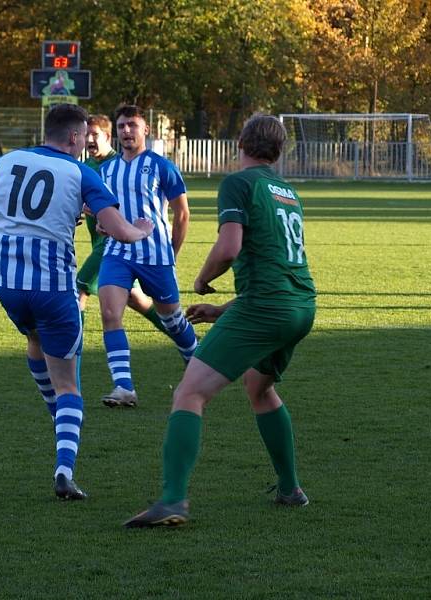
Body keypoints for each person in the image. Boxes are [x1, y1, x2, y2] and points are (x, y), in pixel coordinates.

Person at [124, 113, 317, 528]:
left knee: (189, 393)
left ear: (240, 142)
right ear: (279, 150)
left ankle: (173, 500)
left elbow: (229, 248)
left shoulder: (238, 182)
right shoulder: (287, 191)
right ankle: (290, 489)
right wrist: (225, 310)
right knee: (258, 387)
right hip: (300, 306)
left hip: (266, 307)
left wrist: (201, 279)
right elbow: (278, 270)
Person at [0, 104, 154, 500]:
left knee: (35, 341)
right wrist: (142, 230)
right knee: (68, 386)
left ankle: (59, 419)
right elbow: (118, 231)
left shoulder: (7, 161)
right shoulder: (81, 172)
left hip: (7, 285)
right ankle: (64, 470)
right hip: (55, 289)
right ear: (75, 137)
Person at [96, 105, 197, 408]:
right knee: (110, 314)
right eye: (122, 126)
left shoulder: (162, 166)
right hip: (117, 252)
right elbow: (104, 214)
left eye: (132, 126)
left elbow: (182, 215)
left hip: (155, 256)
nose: (127, 131)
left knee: (172, 320)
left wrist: (171, 252)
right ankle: (124, 387)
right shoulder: (107, 170)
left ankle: (197, 359)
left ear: (145, 130)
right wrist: (103, 224)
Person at [76, 114, 170, 339]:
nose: (89, 139)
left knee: (78, 290)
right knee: (134, 298)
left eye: (95, 134)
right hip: (100, 242)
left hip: (112, 244)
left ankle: (72, 353)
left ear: (108, 136)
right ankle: (186, 339)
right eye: (85, 134)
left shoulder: (117, 166)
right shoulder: (86, 166)